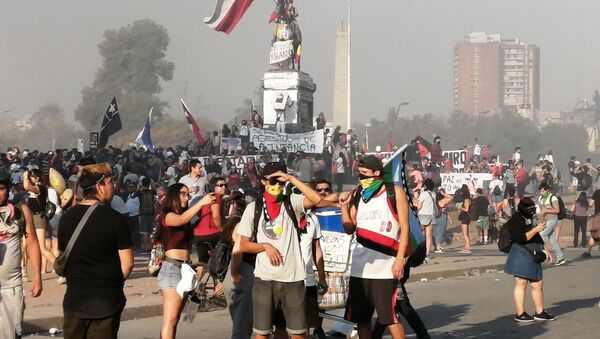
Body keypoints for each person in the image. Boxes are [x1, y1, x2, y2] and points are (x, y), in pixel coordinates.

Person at [237, 162, 323, 339]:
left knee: (298, 334)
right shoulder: (254, 208)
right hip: (264, 279)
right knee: (262, 334)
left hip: (293, 279)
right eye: (273, 181)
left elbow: (317, 199)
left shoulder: (292, 202)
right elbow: (243, 244)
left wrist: (292, 179)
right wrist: (265, 246)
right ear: (263, 182)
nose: (277, 186)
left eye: (281, 182)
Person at [58, 163, 134, 338]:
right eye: (110, 182)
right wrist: (112, 284)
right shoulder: (115, 219)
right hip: (106, 303)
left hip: (74, 302)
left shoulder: (66, 218)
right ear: (99, 186)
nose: (113, 186)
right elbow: (128, 264)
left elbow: (61, 256)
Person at [338, 155, 409, 339]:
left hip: (385, 268)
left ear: (377, 173)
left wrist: (400, 259)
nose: (361, 178)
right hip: (360, 269)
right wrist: (344, 208)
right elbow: (349, 229)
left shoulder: (394, 191)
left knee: (390, 319)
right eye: (359, 174)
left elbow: (405, 227)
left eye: (364, 174)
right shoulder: (358, 194)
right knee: (361, 321)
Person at [156, 183, 215, 339]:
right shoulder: (167, 216)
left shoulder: (186, 218)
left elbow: (188, 220)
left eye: (188, 194)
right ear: (174, 195)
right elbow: (182, 218)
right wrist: (202, 202)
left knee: (176, 320)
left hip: (185, 269)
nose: (186, 197)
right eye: (183, 194)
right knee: (170, 320)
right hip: (172, 270)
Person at [0, 168, 43, 339]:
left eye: (1, 188)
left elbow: (32, 243)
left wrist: (38, 278)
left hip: (11, 287)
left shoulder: (20, 212)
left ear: (8, 189)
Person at [505, 197, 555, 322]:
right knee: (521, 283)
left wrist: (546, 250)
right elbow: (520, 238)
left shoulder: (530, 218)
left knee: (537, 283)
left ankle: (539, 312)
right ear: (522, 209)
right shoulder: (514, 220)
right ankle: (520, 313)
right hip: (521, 252)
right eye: (530, 209)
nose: (532, 211)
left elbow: (537, 236)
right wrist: (536, 229)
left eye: (533, 208)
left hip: (534, 251)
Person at [22, 168, 56, 273]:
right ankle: (23, 271)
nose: (29, 179)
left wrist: (24, 176)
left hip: (38, 218)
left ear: (36, 177)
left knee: (42, 248)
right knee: (24, 246)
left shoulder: (40, 187)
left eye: (31, 177)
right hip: (30, 218)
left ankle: (61, 269)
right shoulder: (32, 189)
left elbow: (26, 186)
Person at [193, 176, 226, 264]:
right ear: (213, 187)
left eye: (224, 185)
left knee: (202, 262)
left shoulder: (206, 197)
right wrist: (222, 229)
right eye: (220, 185)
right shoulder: (215, 197)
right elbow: (215, 216)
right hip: (212, 233)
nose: (223, 187)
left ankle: (197, 277)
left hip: (198, 234)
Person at [537, 183, 566, 266]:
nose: (541, 193)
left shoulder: (553, 198)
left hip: (553, 220)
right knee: (553, 240)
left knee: (540, 236)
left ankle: (545, 255)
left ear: (547, 190)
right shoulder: (540, 198)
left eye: (542, 191)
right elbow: (540, 210)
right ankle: (560, 258)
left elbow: (557, 210)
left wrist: (546, 211)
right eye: (540, 191)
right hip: (545, 220)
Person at [414, 178, 436, 259]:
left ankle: (420, 253)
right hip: (431, 215)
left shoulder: (423, 194)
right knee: (429, 236)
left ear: (425, 185)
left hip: (422, 216)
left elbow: (419, 206)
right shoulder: (434, 194)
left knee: (421, 236)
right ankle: (427, 254)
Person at [138, 177, 156, 253]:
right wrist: (152, 183)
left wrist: (139, 185)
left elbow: (136, 192)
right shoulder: (152, 192)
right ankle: (151, 247)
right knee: (151, 231)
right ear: (149, 184)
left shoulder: (140, 192)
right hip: (151, 213)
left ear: (142, 184)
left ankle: (146, 248)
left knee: (144, 232)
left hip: (143, 214)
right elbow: (155, 190)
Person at [433, 188, 453, 253]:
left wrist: (449, 218)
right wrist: (444, 194)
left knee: (435, 232)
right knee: (440, 232)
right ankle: (438, 248)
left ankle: (436, 247)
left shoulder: (435, 202)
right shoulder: (442, 201)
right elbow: (451, 197)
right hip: (441, 218)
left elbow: (446, 211)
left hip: (436, 218)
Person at [457, 184, 472, 254]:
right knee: (466, 233)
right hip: (468, 217)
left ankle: (468, 247)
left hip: (465, 217)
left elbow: (466, 209)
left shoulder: (466, 200)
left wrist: (460, 208)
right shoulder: (470, 199)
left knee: (465, 234)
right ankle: (466, 247)